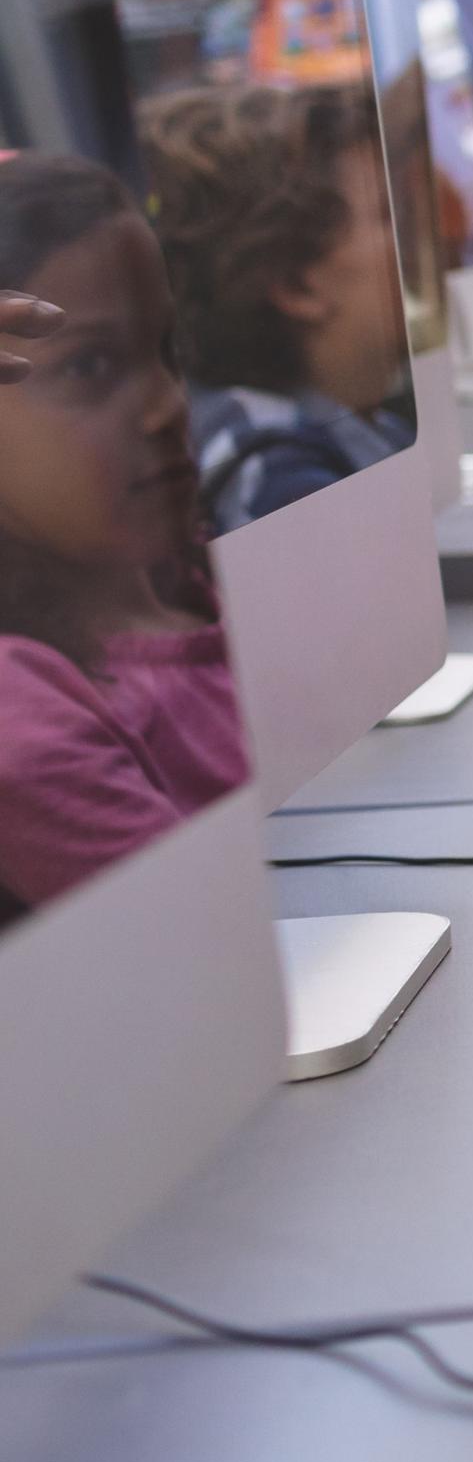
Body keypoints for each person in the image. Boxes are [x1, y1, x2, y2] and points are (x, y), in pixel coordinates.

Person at [0, 156, 247, 919]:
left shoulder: (195, 574)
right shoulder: (25, 723)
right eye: (92, 366)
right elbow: (213, 939)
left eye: (167, 350)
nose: (168, 407)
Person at [138, 81, 415, 531]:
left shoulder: (371, 426)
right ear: (296, 285)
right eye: (387, 214)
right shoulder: (278, 480)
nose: (415, 236)